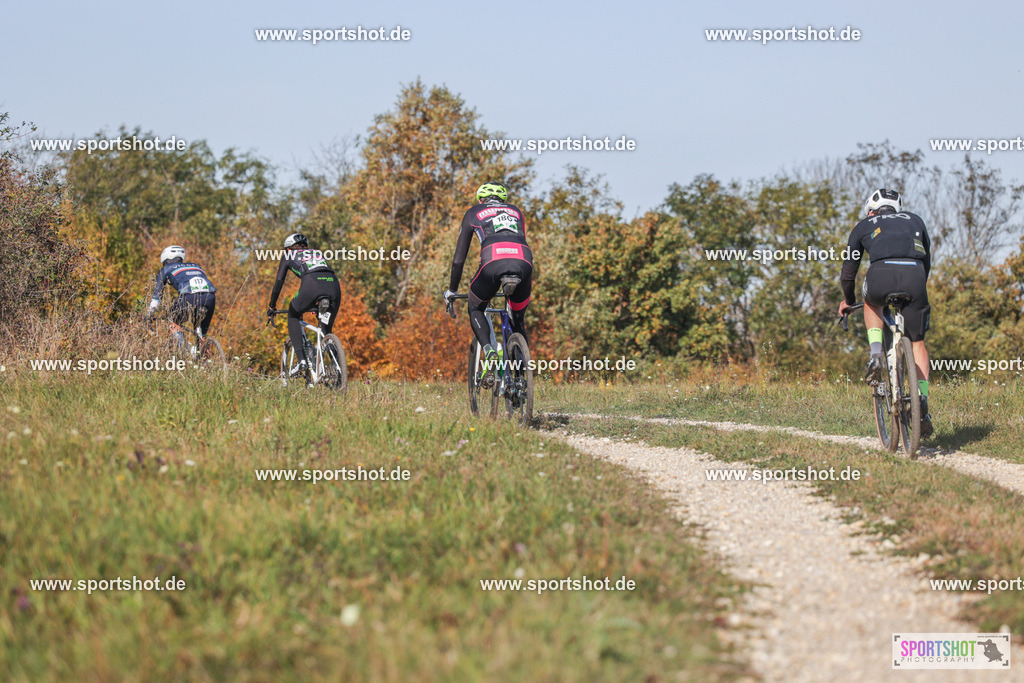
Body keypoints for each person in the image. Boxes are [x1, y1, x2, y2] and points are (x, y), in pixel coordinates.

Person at [838, 189, 934, 437]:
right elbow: (927, 261)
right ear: (897, 209)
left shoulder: (864, 224)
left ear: (872, 210)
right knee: (918, 343)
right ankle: (921, 399)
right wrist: (915, 287)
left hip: (880, 275)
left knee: (871, 301)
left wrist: (848, 301)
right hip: (915, 277)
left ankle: (876, 354)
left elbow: (848, 272)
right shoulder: (915, 220)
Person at [443, 181, 533, 383]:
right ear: (503, 199)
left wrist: (452, 290)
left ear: (480, 199)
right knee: (517, 320)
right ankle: (520, 379)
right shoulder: (516, 211)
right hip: (523, 261)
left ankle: (489, 351)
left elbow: (459, 259)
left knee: (475, 307)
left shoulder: (473, 212)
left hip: (493, 261)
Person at [266, 233, 341, 380]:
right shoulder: (317, 252)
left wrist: (272, 305)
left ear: (288, 248)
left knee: (293, 315)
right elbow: (322, 273)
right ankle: (338, 370)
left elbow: (279, 282)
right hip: (333, 285)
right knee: (326, 330)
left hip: (311, 285)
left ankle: (301, 361)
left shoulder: (288, 255)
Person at [146, 245, 217, 348]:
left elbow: (156, 299)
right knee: (202, 334)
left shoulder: (166, 269)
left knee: (172, 319)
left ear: (165, 260)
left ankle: (183, 348)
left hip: (188, 297)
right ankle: (204, 359)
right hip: (210, 297)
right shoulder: (196, 266)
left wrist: (149, 315)